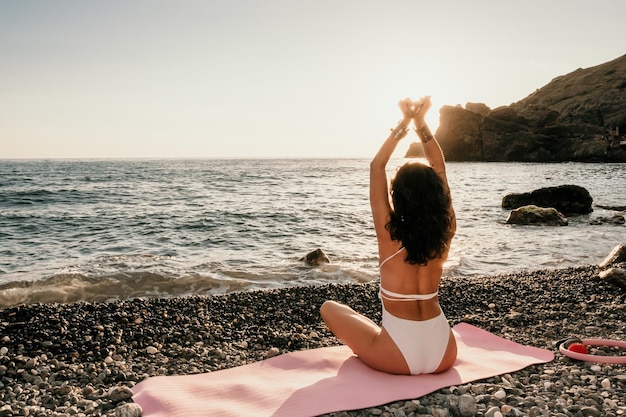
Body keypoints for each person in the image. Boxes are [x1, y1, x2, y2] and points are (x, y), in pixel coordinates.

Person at [320, 96, 457, 375]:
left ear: (399, 197)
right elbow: (439, 166)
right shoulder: (446, 230)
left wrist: (404, 123)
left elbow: (376, 167)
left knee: (329, 307)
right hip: (445, 352)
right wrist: (421, 124)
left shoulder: (390, 235)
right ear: (435, 196)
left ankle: (381, 342)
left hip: (398, 356)